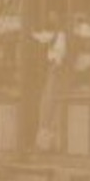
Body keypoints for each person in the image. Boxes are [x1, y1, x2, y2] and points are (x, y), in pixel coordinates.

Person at [30, 13, 68, 153]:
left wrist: (56, 66)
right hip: (53, 68)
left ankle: (47, 144)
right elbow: (42, 37)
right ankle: (45, 143)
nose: (52, 19)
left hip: (57, 68)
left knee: (50, 104)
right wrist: (32, 32)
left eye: (54, 17)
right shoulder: (54, 35)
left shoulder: (61, 35)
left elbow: (60, 53)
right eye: (51, 17)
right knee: (47, 104)